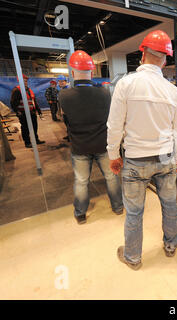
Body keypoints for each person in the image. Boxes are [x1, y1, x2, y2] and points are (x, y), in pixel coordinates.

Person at [107, 30, 177, 270]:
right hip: (165, 158)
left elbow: (114, 125)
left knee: (134, 212)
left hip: (135, 160)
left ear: (143, 54)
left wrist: (113, 155)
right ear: (165, 60)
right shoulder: (173, 91)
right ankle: (171, 246)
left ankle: (133, 257)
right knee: (170, 205)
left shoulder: (126, 84)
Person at [58, 50, 123, 225]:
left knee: (81, 181)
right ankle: (118, 206)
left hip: (80, 146)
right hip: (102, 144)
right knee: (111, 177)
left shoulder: (63, 95)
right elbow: (109, 117)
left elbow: (66, 121)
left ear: (72, 73)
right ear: (92, 72)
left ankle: (80, 213)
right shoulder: (104, 93)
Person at [10, 74, 45, 148]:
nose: (25, 82)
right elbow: (13, 102)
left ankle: (36, 140)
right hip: (23, 113)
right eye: (23, 81)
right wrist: (17, 112)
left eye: (26, 81)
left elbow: (34, 102)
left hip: (32, 112)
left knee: (34, 127)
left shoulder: (29, 90)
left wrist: (39, 112)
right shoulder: (17, 90)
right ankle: (27, 142)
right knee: (25, 128)